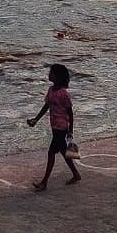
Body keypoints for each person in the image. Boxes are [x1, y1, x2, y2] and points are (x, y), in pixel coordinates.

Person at [27, 63, 81, 191]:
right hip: (54, 125)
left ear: (58, 76)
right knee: (63, 152)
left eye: (51, 72)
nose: (49, 74)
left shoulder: (64, 94)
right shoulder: (51, 90)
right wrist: (36, 119)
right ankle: (76, 174)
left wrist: (70, 130)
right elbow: (47, 106)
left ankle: (44, 182)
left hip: (61, 127)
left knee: (51, 152)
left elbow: (70, 113)